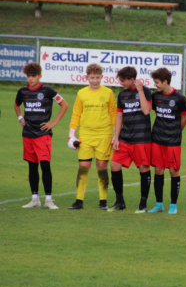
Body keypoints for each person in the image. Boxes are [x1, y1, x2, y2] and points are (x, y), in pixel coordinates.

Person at [14, 62, 69, 210]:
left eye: (33, 76)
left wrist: (54, 122)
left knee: (45, 164)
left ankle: (49, 200)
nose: (30, 79)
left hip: (43, 134)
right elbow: (17, 104)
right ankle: (35, 198)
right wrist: (20, 118)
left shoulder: (47, 91)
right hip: (27, 133)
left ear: (40, 76)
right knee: (32, 166)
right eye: (28, 76)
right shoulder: (22, 91)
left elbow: (64, 105)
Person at [68, 63, 117, 210]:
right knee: (83, 167)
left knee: (102, 166)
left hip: (104, 134)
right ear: (87, 77)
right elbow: (76, 113)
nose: (95, 80)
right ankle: (79, 201)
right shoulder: (81, 93)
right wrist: (72, 134)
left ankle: (103, 201)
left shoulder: (108, 92)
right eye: (92, 77)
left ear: (102, 77)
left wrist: (116, 135)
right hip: (86, 135)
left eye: (97, 77)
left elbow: (114, 114)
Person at [109, 66, 152, 213]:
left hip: (142, 139)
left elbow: (146, 110)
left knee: (143, 168)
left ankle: (143, 204)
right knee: (114, 166)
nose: (121, 83)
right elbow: (119, 116)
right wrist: (116, 137)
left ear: (132, 80)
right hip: (125, 139)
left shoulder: (145, 91)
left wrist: (139, 90)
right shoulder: (122, 95)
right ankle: (119, 201)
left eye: (123, 81)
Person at [147, 67, 186, 215]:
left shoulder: (179, 98)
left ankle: (173, 204)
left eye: (157, 82)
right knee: (158, 170)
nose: (155, 85)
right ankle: (159, 204)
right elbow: (151, 110)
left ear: (165, 81)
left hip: (173, 141)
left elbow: (184, 117)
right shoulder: (155, 96)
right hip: (157, 139)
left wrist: (177, 131)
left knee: (173, 171)